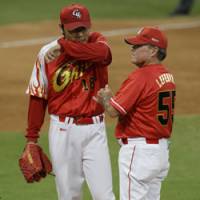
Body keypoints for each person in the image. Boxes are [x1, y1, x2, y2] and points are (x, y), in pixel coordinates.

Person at [25, 3, 115, 200]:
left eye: (83, 29)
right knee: (69, 195)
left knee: (104, 196)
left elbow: (103, 55)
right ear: (62, 28)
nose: (80, 35)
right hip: (63, 132)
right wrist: (32, 138)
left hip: (95, 131)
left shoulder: (98, 42)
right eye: (74, 31)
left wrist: (64, 45)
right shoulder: (46, 54)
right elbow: (38, 96)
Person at [94, 27, 176, 200]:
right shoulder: (167, 76)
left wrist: (106, 99)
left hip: (140, 153)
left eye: (138, 46)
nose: (132, 49)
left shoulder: (141, 76)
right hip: (160, 153)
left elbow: (114, 111)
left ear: (153, 50)